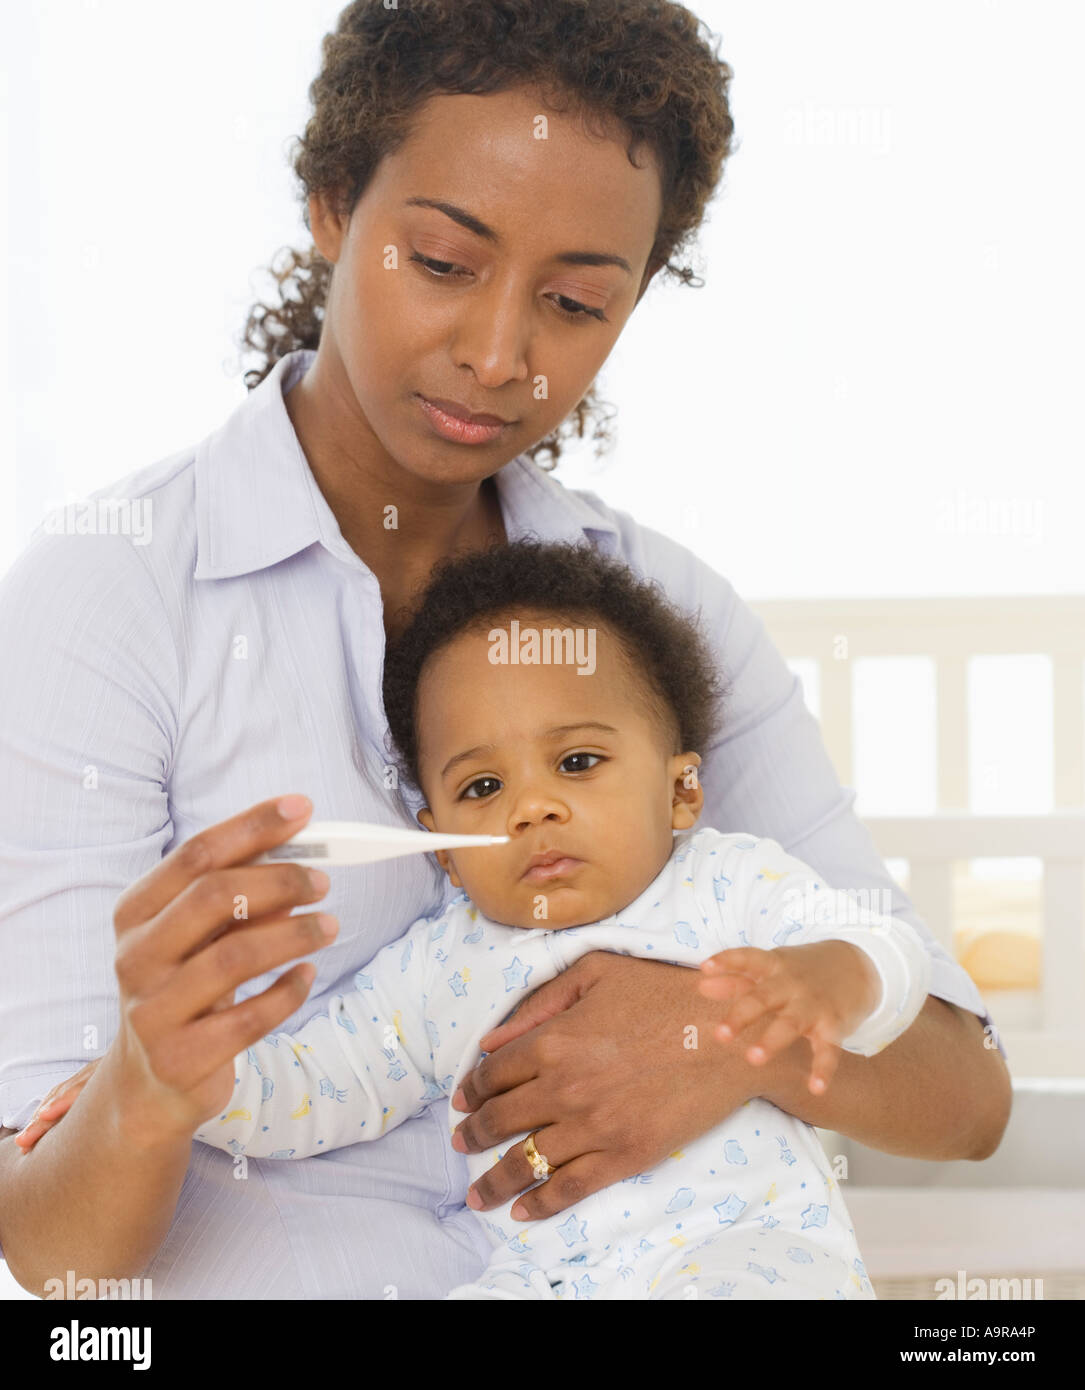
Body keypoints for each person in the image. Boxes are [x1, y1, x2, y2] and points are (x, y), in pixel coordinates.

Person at [0, 0, 1010, 1301]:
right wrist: (147, 1084)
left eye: (577, 301)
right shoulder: (105, 599)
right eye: (438, 261)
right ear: (329, 206)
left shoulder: (660, 615)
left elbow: (963, 1087)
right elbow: (52, 1244)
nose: (496, 356)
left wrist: (719, 1036)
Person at [191, 538, 934, 1301]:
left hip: (747, 1244)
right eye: (482, 785)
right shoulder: (438, 966)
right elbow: (322, 1084)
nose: (530, 806)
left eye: (576, 762)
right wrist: (195, 1082)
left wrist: (833, 975)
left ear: (679, 790)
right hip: (548, 1275)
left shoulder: (729, 883)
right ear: (442, 848)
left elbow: (887, 946)